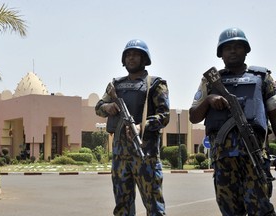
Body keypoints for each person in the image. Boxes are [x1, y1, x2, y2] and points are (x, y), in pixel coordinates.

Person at [189, 27, 276, 216]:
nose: (233, 51)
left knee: (261, 209)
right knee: (229, 211)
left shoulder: (263, 78)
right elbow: (194, 116)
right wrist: (209, 99)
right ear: (221, 53)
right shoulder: (210, 81)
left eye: (238, 46)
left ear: (246, 50)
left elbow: (274, 113)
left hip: (254, 158)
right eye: (228, 48)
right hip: (224, 161)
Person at [95, 39, 170, 216]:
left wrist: (142, 127)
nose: (131, 58)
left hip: (146, 155)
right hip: (120, 156)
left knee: (154, 207)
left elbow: (164, 115)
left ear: (145, 58)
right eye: (128, 55)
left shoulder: (155, 84)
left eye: (136, 54)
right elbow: (99, 106)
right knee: (122, 207)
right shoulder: (116, 85)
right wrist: (107, 107)